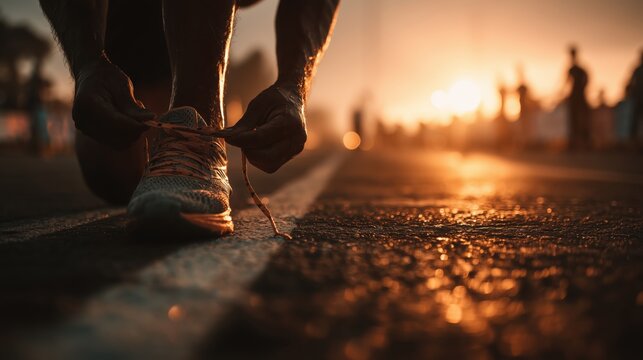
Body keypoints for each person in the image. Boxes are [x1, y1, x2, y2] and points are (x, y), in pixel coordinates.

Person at [40, 0, 340, 237]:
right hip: (129, 13)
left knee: (167, 182)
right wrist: (88, 64)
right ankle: (180, 124)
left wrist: (294, 85)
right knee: (112, 170)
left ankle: (197, 116)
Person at [565, 45, 590, 150]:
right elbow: (566, 83)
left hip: (580, 97)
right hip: (573, 98)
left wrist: (582, 89)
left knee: (582, 119)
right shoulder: (571, 69)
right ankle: (574, 143)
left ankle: (585, 143)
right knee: (573, 120)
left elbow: (587, 79)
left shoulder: (579, 69)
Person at [626, 50, 643, 143]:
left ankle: (634, 141)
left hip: (638, 98)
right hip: (638, 99)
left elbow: (630, 83)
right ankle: (634, 141)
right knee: (635, 120)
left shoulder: (637, 70)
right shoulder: (637, 70)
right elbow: (630, 83)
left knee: (635, 121)